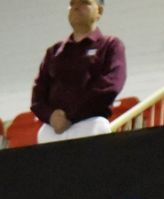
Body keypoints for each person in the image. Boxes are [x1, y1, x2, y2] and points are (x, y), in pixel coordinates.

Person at [33, 0, 126, 144]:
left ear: (99, 11)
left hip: (91, 124)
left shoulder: (110, 45)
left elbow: (110, 85)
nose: (76, 6)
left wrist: (69, 115)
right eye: (72, 3)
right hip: (53, 129)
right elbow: (38, 94)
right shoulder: (54, 51)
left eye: (84, 2)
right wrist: (50, 116)